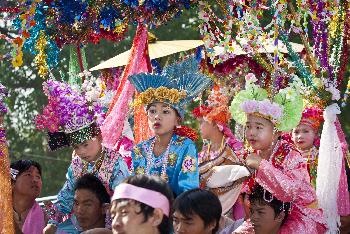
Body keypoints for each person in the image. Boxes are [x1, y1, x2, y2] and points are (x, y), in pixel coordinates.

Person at [229, 73, 326, 233]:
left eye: (258, 127)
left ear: (275, 133)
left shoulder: (291, 155)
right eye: (248, 126)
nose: (251, 132)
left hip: (298, 214)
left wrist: (261, 166)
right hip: (264, 216)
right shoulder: (251, 154)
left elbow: (290, 192)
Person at [38, 80, 130, 233]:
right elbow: (66, 195)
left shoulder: (115, 163)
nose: (81, 151)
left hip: (111, 223)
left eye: (85, 144)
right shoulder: (76, 165)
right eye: (76, 147)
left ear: (99, 137)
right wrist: (53, 223)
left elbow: (123, 199)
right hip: (80, 222)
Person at [128, 57, 212, 195]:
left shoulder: (185, 147)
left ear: (177, 120)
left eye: (165, 111)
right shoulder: (140, 150)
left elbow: (188, 189)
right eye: (152, 111)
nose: (157, 116)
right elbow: (133, 189)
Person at [192, 84, 249, 218]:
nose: (199, 127)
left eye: (202, 122)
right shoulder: (204, 152)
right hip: (207, 207)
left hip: (233, 207)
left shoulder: (235, 148)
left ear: (213, 123)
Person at [292, 106, 350, 232]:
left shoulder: (322, 156)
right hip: (294, 207)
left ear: (316, 134)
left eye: (305, 131)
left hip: (319, 206)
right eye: (296, 132)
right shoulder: (288, 157)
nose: (300, 136)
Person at [10, 160, 47, 234]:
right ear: (12, 183)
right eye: (28, 175)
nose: (35, 180)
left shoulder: (47, 219)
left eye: (38, 176)